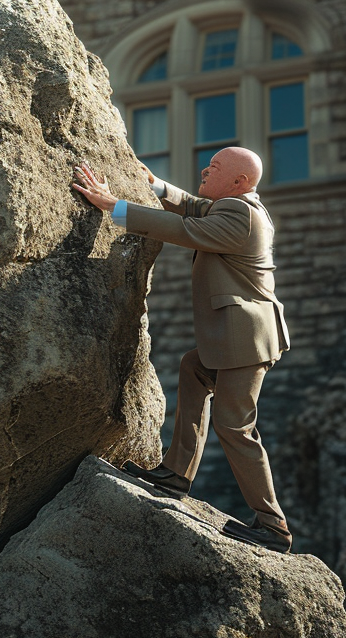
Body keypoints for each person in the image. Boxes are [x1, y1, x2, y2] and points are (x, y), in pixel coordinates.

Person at [72, 147, 292, 553]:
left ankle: (273, 526)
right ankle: (177, 473)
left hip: (246, 340)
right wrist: (154, 185)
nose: (206, 169)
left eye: (217, 168)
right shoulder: (234, 205)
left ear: (240, 182)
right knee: (193, 369)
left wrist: (113, 205)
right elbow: (193, 207)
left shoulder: (240, 215)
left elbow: (183, 229)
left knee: (235, 426)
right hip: (235, 336)